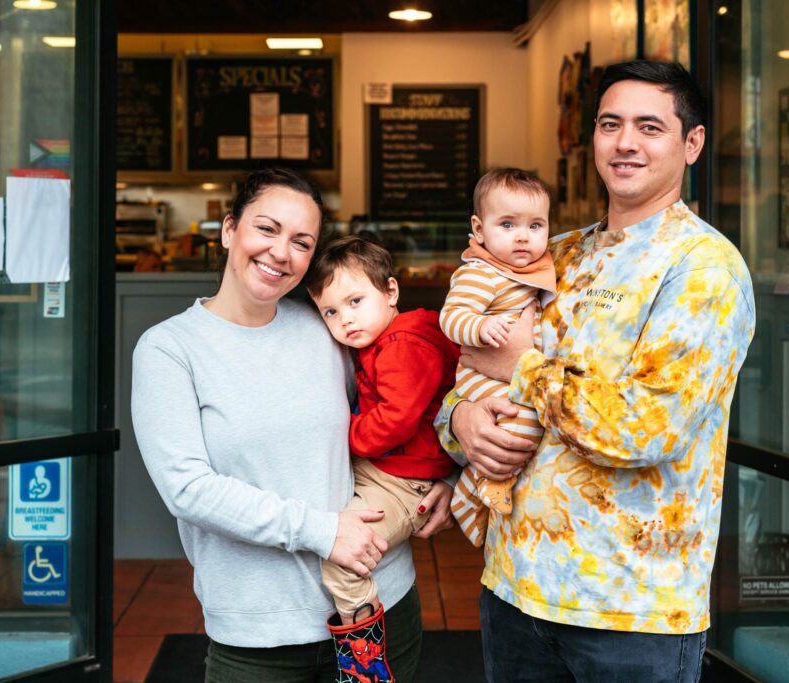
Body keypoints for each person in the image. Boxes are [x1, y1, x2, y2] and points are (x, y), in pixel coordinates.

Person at [435, 60, 756, 681]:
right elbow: (466, 373)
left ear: (692, 143)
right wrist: (462, 421)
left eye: (649, 127)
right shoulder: (554, 255)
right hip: (515, 588)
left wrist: (521, 368)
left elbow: (645, 429)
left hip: (629, 613)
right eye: (611, 124)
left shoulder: (703, 270)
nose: (625, 142)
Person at [131, 168, 454, 683]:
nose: (281, 252)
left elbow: (411, 399)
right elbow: (187, 490)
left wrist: (443, 478)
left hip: (382, 605)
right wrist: (323, 532)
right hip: (259, 634)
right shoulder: (170, 350)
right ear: (228, 229)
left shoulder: (327, 326)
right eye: (267, 229)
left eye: (301, 242)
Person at [305, 235, 459, 680]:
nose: (345, 320)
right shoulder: (382, 339)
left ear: (391, 292)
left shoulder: (404, 345)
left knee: (344, 558)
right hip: (389, 468)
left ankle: (364, 665)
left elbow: (395, 418)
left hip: (404, 483)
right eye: (331, 312)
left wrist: (343, 438)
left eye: (355, 301)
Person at [438, 168, 556, 547]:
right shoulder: (482, 273)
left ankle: (477, 488)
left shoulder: (531, 269)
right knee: (518, 426)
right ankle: (475, 490)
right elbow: (451, 316)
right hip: (481, 378)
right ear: (479, 228)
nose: (523, 236)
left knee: (520, 428)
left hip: (509, 375)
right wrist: (479, 328)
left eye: (535, 226)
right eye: (507, 224)